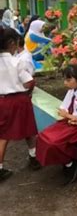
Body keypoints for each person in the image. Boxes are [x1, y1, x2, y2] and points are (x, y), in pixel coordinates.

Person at [36, 64, 77, 184]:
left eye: (68, 79)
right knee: (43, 136)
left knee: (53, 142)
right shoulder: (73, 90)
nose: (65, 83)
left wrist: (68, 116)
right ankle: (67, 162)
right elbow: (64, 108)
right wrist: (68, 116)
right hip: (69, 122)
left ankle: (71, 162)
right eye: (65, 79)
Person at [0, 27, 39, 181]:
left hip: (2, 100)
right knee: (29, 130)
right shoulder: (17, 62)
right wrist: (27, 92)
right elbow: (29, 81)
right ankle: (34, 158)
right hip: (18, 100)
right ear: (11, 43)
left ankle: (0, 168)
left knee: (2, 135)